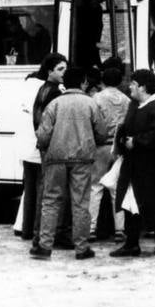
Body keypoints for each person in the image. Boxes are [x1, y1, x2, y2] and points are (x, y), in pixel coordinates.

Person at [31, 67, 109, 260]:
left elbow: (42, 135)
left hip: (55, 158)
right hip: (82, 159)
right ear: (83, 82)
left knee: (50, 201)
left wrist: (45, 148)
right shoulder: (91, 104)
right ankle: (82, 248)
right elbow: (102, 133)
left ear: (65, 83)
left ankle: (44, 246)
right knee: (80, 202)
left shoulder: (55, 104)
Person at [111, 69, 155, 258]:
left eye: (133, 84)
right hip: (135, 167)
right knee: (131, 205)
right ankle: (131, 244)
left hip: (154, 168)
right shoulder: (135, 105)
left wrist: (136, 142)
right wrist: (122, 140)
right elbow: (126, 127)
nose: (130, 86)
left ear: (143, 87)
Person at [18, 53, 67, 243]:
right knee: (44, 192)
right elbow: (45, 120)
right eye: (61, 69)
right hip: (44, 145)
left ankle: (27, 230)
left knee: (31, 189)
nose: (65, 72)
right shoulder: (53, 91)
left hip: (31, 145)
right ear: (49, 71)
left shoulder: (38, 88)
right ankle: (40, 233)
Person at [89, 63, 131, 241]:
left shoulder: (96, 98)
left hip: (100, 146)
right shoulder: (126, 99)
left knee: (95, 187)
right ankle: (120, 229)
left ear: (102, 81)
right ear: (120, 80)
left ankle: (91, 228)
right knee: (117, 187)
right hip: (119, 147)